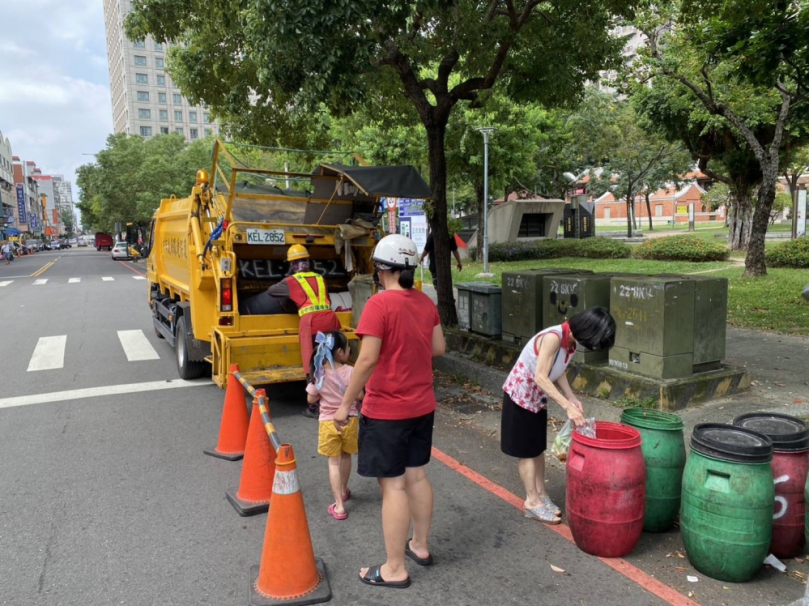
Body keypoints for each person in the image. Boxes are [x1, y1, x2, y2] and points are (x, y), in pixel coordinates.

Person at [334, 233, 445, 589]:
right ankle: (421, 546)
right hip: (422, 405)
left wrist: (344, 405)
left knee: (393, 487)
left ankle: (395, 568)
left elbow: (365, 360)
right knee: (417, 476)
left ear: (382, 270)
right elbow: (438, 347)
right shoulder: (425, 302)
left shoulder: (380, 305)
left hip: (387, 410)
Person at [500, 307, 616, 524]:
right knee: (526, 452)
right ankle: (531, 502)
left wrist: (571, 397)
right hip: (520, 397)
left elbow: (558, 369)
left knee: (537, 448)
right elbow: (541, 377)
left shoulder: (570, 341)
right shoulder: (553, 338)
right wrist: (566, 406)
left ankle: (542, 494)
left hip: (536, 399)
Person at [268, 244, 342, 418]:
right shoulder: (320, 277)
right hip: (330, 319)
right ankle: (337, 400)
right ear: (308, 261)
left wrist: (290, 296)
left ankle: (314, 407)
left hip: (311, 323)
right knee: (332, 360)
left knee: (313, 363)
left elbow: (272, 291)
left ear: (292, 265)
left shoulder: (292, 281)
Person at [306, 330, 362, 520]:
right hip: (350, 420)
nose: (349, 352)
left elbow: (311, 398)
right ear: (340, 352)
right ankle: (344, 490)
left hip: (328, 422)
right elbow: (360, 395)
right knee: (346, 456)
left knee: (333, 462)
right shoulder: (351, 372)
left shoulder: (320, 372)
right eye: (347, 349)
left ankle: (339, 506)